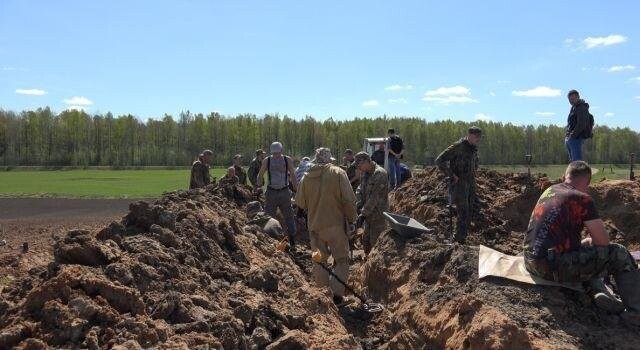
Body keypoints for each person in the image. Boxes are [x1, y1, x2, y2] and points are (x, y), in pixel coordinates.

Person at [524, 161, 640, 324]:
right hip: (551, 267)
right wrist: (597, 240)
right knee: (618, 253)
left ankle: (597, 290)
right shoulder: (582, 199)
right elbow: (603, 242)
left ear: (565, 177)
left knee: (585, 246)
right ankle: (635, 313)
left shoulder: (550, 190)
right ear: (588, 182)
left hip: (530, 261)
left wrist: (587, 242)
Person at [295, 148, 357, 305]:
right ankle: (336, 296)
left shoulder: (306, 177)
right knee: (342, 260)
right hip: (336, 225)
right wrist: (352, 219)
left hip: (315, 226)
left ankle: (323, 296)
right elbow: (349, 200)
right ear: (329, 160)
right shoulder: (338, 173)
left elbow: (300, 202)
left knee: (319, 260)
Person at [435, 126, 482, 244]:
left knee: (469, 210)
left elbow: (474, 163)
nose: (478, 140)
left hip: (470, 183)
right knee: (463, 211)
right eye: (477, 137)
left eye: (479, 137)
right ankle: (458, 240)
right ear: (470, 135)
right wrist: (452, 175)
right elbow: (439, 160)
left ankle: (463, 237)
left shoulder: (473, 148)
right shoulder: (458, 146)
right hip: (460, 184)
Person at [257, 142, 298, 245]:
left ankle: (292, 238)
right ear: (272, 152)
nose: (276, 155)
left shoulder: (286, 159)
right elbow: (261, 173)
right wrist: (258, 184)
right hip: (271, 192)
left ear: (281, 151)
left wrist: (296, 188)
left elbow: (292, 174)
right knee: (269, 216)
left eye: (278, 153)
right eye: (274, 153)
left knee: (289, 215)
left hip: (284, 192)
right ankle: (269, 238)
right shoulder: (267, 160)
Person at [354, 152, 389, 255]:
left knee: (376, 245)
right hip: (368, 217)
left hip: (378, 217)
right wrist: (359, 204)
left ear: (366, 162)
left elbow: (374, 197)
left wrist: (362, 214)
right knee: (366, 242)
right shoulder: (365, 173)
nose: (359, 168)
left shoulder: (380, 174)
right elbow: (360, 189)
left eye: (360, 165)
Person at [565, 89, 593, 162]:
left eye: (573, 98)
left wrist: (573, 135)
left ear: (578, 97)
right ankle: (574, 173)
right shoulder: (574, 107)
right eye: (570, 99)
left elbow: (582, 123)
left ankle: (579, 173)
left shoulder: (581, 107)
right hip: (572, 138)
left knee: (577, 163)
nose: (571, 101)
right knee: (574, 162)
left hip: (577, 138)